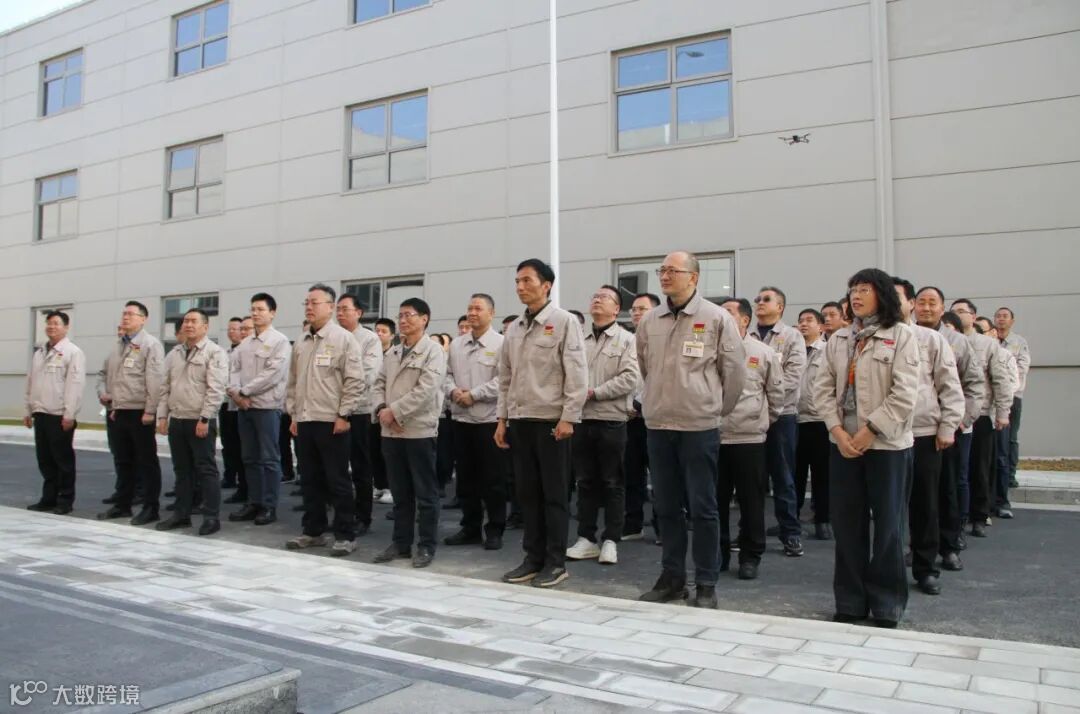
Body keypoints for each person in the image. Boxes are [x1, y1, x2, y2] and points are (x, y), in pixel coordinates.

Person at [637, 251, 745, 609]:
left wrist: (713, 408)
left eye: (673, 270)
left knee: (703, 508)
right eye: (662, 270)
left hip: (699, 427)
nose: (665, 276)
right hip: (658, 425)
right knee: (666, 506)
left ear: (694, 278)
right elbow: (644, 366)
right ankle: (672, 578)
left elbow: (734, 373)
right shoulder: (650, 319)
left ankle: (706, 583)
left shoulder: (716, 318)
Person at [814, 268, 919, 628]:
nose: (856, 296)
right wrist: (837, 431)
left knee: (888, 527)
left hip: (887, 445)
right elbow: (822, 389)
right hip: (843, 444)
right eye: (853, 290)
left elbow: (905, 392)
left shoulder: (901, 335)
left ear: (882, 294)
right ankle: (850, 600)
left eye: (864, 290)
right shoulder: (840, 339)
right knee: (847, 525)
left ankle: (887, 604)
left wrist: (871, 430)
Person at [496, 258, 589, 589]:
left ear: (546, 285)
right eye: (517, 281)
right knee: (528, 495)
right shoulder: (514, 328)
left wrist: (569, 417)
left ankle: (555, 561)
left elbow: (577, 373)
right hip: (521, 420)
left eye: (527, 280)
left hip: (552, 422)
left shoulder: (564, 322)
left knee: (554, 495)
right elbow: (505, 376)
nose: (520, 287)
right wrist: (502, 419)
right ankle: (532, 558)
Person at [894, 279, 963, 596]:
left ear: (910, 303)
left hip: (923, 433)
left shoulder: (930, 339)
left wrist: (948, 426)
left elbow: (950, 385)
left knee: (925, 504)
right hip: (884, 435)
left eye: (896, 296)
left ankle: (925, 568)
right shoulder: (872, 338)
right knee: (888, 506)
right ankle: (889, 567)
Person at [286, 283, 365, 555]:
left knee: (337, 480)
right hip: (304, 419)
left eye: (314, 303)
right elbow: (292, 381)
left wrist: (344, 414)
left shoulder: (343, 339)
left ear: (330, 307)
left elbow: (355, 380)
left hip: (332, 421)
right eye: (306, 303)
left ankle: (345, 535)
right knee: (309, 479)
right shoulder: (301, 341)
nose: (309, 307)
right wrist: (293, 414)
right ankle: (313, 531)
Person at [566, 285, 639, 566]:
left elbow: (630, 378)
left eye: (604, 298)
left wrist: (594, 393)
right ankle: (586, 538)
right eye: (594, 296)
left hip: (611, 418)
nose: (597, 300)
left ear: (616, 309)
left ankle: (611, 540)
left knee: (612, 481)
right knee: (585, 481)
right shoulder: (578, 339)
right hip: (581, 418)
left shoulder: (627, 340)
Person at [372, 298, 448, 568]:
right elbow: (378, 383)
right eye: (401, 315)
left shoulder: (433, 351)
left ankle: (426, 546)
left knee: (425, 494)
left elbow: (426, 390)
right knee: (400, 492)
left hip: (418, 431)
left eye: (409, 315)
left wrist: (395, 412)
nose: (403, 320)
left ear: (424, 319)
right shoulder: (393, 352)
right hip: (391, 432)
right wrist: (381, 409)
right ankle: (401, 543)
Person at [914, 288, 984, 564]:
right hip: (918, 430)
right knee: (920, 495)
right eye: (921, 302)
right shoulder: (908, 336)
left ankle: (949, 546)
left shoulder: (957, 341)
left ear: (942, 309)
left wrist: (960, 422)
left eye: (932, 303)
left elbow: (974, 384)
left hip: (949, 430)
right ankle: (920, 548)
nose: (926, 308)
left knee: (947, 490)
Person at [718, 298, 783, 580]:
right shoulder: (709, 349)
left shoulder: (763, 353)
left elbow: (776, 396)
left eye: (728, 313)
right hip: (713, 436)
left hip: (749, 438)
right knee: (714, 502)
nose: (722, 318)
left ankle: (750, 556)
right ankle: (717, 554)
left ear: (744, 320)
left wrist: (761, 421)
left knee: (751, 502)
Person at [155, 308, 229, 535]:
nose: (188, 325)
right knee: (182, 470)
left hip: (200, 421)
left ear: (205, 327)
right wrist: (162, 416)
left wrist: (205, 417)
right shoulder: (174, 353)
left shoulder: (214, 353)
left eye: (194, 321)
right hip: (177, 419)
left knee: (206, 470)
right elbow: (165, 387)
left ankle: (211, 517)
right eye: (186, 321)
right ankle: (181, 515)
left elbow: (216, 389)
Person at [444, 293, 507, 550]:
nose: (472, 313)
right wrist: (453, 391)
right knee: (465, 479)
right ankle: (470, 527)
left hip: (488, 421)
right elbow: (446, 375)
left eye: (478, 308)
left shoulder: (502, 343)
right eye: (470, 308)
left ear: (491, 313)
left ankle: (495, 529)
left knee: (493, 480)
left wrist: (474, 394)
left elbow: (504, 380)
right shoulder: (457, 344)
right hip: (461, 420)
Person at [96, 301, 165, 525]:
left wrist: (150, 410)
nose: (125, 317)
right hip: (119, 411)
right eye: (124, 313)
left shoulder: (150, 344)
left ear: (143, 319)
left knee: (146, 461)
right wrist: (112, 404)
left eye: (131, 314)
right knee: (123, 460)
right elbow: (109, 376)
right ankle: (122, 504)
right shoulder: (119, 345)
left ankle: (151, 508)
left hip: (140, 412)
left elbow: (154, 380)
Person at [227, 293, 291, 526]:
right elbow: (233, 370)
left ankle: (269, 506)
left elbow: (273, 374)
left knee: (269, 459)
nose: (255, 313)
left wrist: (245, 392)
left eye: (261, 309)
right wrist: (236, 393)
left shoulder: (279, 341)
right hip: (244, 408)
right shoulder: (244, 344)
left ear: (272, 313)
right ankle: (254, 502)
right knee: (249, 458)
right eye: (253, 309)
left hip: (266, 408)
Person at [951, 299, 1013, 537]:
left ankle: (979, 515)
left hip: (981, 413)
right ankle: (957, 515)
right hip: (952, 414)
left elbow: (1000, 379)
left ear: (973, 316)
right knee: (955, 470)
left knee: (979, 467)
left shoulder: (987, 344)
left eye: (962, 311)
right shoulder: (947, 340)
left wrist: (1003, 412)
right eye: (954, 311)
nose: (957, 315)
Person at [753, 286, 807, 557]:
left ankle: (791, 533)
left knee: (783, 476)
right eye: (757, 299)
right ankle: (750, 533)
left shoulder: (792, 336)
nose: (759, 303)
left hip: (781, 416)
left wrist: (763, 399)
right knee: (752, 478)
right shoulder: (746, 335)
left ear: (780, 307)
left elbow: (793, 377)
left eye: (766, 299)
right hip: (750, 418)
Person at [24, 310, 85, 515]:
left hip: (59, 415)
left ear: (66, 327)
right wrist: (28, 409)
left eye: (56, 323)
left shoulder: (72, 352)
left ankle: (65, 500)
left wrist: (70, 414)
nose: (51, 327)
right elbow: (31, 382)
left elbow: (75, 385)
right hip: (40, 412)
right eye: (49, 323)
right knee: (45, 459)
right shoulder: (39, 352)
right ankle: (48, 498)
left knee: (63, 460)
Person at [336, 294, 383, 536]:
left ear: (359, 313)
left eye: (345, 309)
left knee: (360, 466)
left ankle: (363, 516)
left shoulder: (369, 339)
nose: (340, 313)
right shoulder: (333, 337)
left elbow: (367, 374)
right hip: (332, 411)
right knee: (335, 467)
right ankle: (341, 514)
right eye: (338, 309)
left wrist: (341, 394)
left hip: (359, 410)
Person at [624, 292, 660, 541]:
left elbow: (659, 377)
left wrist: (639, 401)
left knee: (659, 475)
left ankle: (661, 525)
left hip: (654, 416)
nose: (637, 313)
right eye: (634, 309)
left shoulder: (661, 339)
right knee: (631, 473)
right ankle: (633, 523)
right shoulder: (626, 339)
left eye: (642, 309)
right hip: (628, 418)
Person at [976, 316, 1020, 519]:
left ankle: (1001, 502)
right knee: (980, 464)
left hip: (996, 413)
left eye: (983, 331)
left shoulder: (1003, 354)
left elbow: (1012, 383)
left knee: (1000, 458)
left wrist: (1001, 408)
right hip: (978, 415)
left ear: (992, 333)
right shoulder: (970, 350)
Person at [795, 308, 831, 540]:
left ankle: (823, 520)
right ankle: (791, 519)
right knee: (795, 474)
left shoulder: (828, 351)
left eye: (809, 320)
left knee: (822, 474)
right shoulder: (792, 348)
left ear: (821, 327)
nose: (804, 324)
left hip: (820, 420)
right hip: (796, 419)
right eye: (801, 321)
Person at [994, 307, 1030, 490]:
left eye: (1005, 316)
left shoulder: (1019, 342)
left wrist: (1007, 386)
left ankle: (1010, 474)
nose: (1001, 319)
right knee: (995, 438)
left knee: (1011, 437)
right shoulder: (990, 340)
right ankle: (997, 473)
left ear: (1012, 321)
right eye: (998, 316)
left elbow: (1021, 369)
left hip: (1013, 396)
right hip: (994, 398)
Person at [370, 317, 397, 505]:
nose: (379, 334)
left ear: (392, 335)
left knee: (387, 452)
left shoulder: (394, 354)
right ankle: (379, 485)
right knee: (373, 450)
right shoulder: (371, 352)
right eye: (377, 330)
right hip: (374, 407)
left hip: (391, 410)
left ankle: (389, 487)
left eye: (383, 331)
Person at [220, 318, 245, 492]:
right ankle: (229, 476)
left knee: (240, 445)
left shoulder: (246, 352)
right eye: (229, 329)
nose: (231, 332)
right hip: (225, 403)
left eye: (235, 329)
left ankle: (242, 481)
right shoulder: (225, 352)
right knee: (227, 443)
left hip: (239, 403)